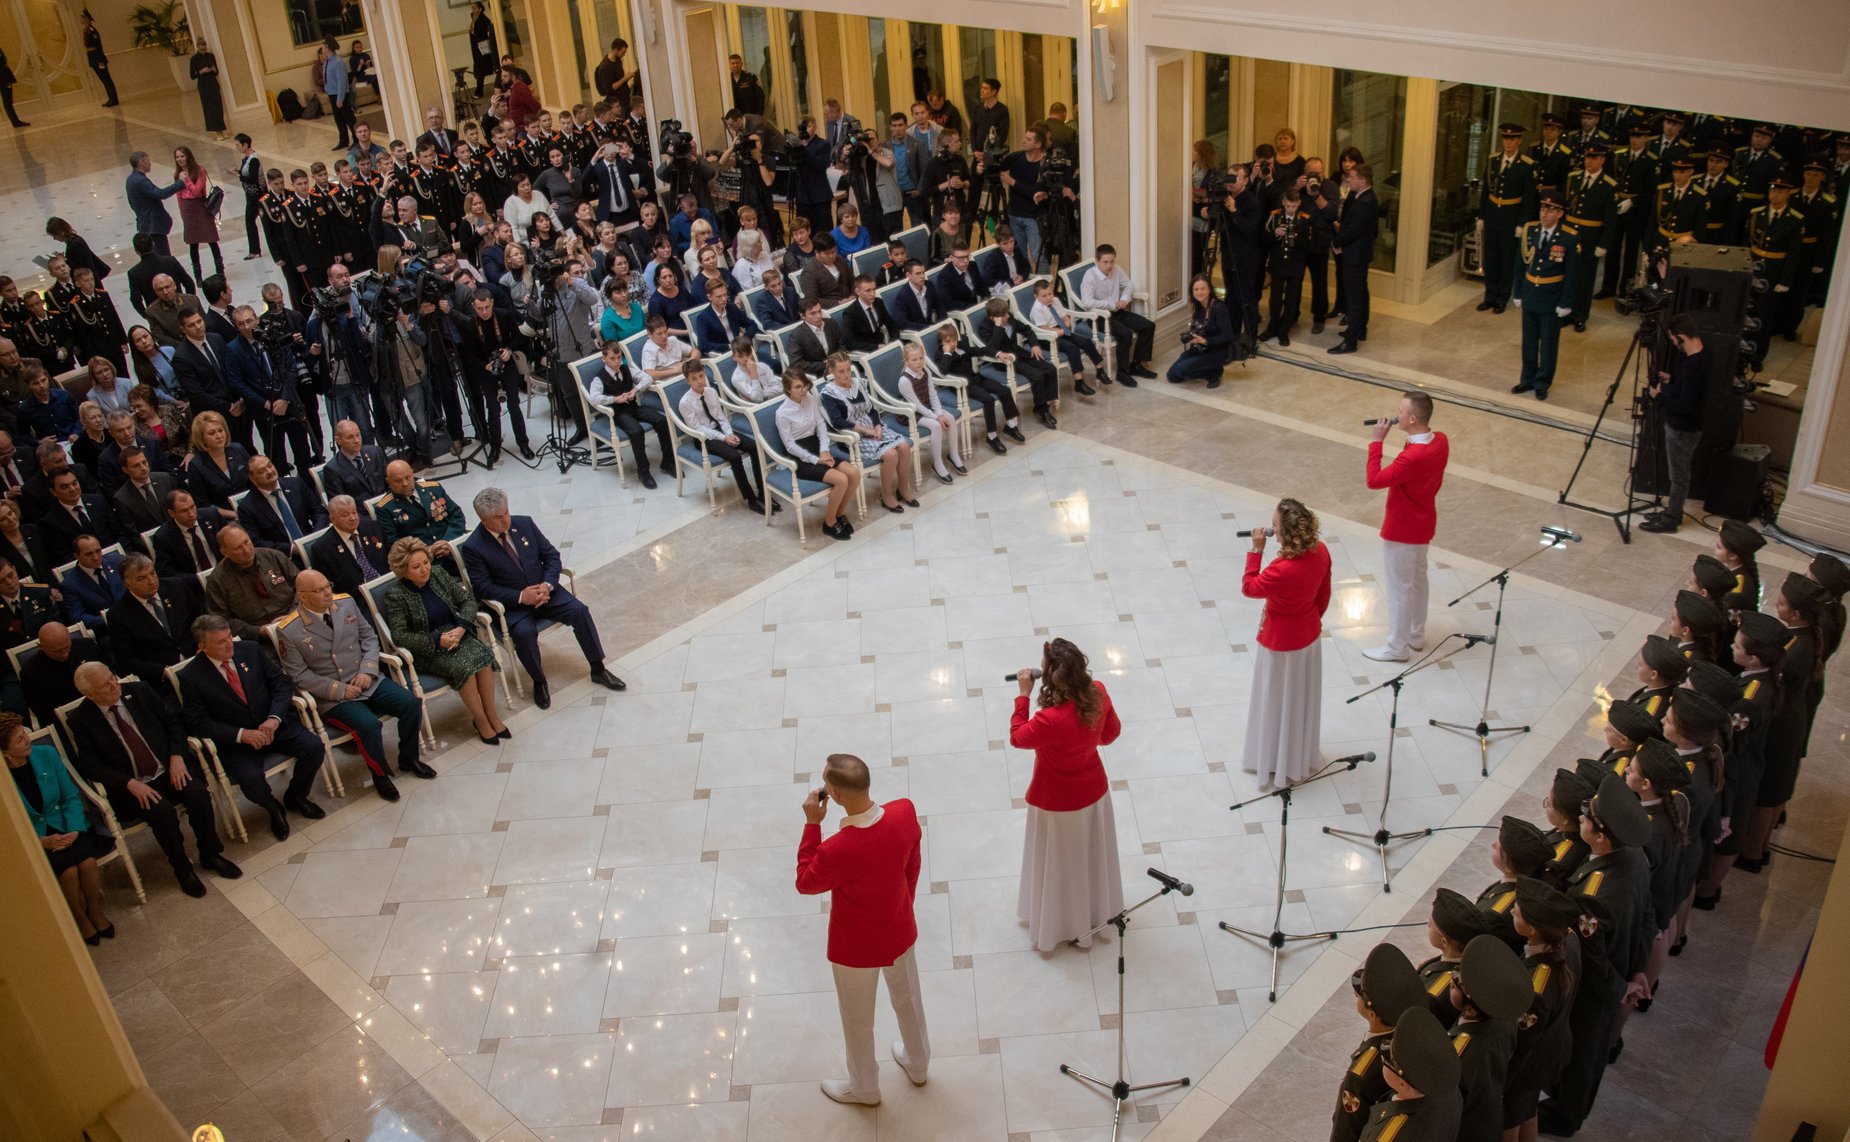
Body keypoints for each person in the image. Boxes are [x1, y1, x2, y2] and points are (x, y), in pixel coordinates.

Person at [794, 752, 930, 1106]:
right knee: (909, 1001)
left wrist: (812, 825)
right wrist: (905, 902)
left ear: (836, 796)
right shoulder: (904, 812)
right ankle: (918, 1065)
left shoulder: (836, 849)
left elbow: (805, 882)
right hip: (900, 930)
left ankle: (865, 1088)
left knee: (858, 1020)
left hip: (854, 949)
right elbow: (913, 860)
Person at [69, 662, 240, 899]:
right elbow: (91, 765)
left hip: (169, 766)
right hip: (136, 784)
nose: (114, 685)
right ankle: (182, 868)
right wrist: (129, 783)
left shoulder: (140, 691)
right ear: (89, 694)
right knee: (162, 812)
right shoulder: (81, 720)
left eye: (112, 677)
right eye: (105, 685)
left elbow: (174, 723)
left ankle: (210, 854)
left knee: (198, 794)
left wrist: (177, 756)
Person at [459, 487, 626, 709]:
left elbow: (551, 556)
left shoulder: (524, 523)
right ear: (484, 519)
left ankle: (598, 668)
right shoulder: (474, 547)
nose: (506, 519)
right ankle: (539, 681)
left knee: (580, 611)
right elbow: (482, 587)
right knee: (524, 634)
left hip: (547, 593)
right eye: (499, 517)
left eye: (507, 512)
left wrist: (547, 585)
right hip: (514, 605)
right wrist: (521, 596)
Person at [1007, 638, 1124, 952]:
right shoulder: (1098, 692)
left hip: (1056, 801)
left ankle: (1057, 920)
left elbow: (1017, 737)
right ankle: (1091, 912)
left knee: (1060, 863)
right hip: (1094, 793)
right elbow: (1110, 734)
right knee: (1089, 856)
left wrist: (1023, 695)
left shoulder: (1050, 720)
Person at [277, 570, 429, 801]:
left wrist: (367, 670)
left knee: (410, 703)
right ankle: (380, 775)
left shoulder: (346, 603)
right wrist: (340, 689)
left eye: (328, 585)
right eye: (319, 590)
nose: (327, 592)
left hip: (365, 679)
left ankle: (409, 758)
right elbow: (299, 675)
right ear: (302, 596)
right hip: (333, 695)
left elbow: (369, 637)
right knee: (369, 725)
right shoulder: (290, 630)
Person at [180, 613, 326, 840]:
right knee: (251, 783)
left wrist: (274, 718)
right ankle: (273, 808)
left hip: (272, 726)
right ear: (202, 647)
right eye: (220, 642)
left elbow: (281, 684)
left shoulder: (250, 650)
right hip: (237, 743)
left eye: (229, 637)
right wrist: (241, 735)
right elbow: (199, 723)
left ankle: (296, 796)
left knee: (314, 747)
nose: (229, 644)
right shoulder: (191, 676)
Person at [379, 536, 507, 743]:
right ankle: (481, 720)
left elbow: (467, 601)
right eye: (416, 567)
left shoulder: (438, 573)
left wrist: (461, 628)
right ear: (403, 571)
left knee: (484, 658)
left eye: (425, 562)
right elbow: (400, 636)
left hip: (457, 633)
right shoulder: (395, 595)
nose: (424, 569)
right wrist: (437, 640)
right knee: (464, 667)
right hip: (428, 647)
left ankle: (491, 714)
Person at [1242, 498, 1333, 788]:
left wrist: (1256, 550)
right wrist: (1309, 620)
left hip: (1280, 642)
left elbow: (1249, 587)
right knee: (1298, 698)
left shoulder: (1281, 569)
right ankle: (1295, 756)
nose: (1271, 529)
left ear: (1285, 531)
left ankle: (1271, 758)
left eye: (1274, 525)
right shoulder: (1321, 551)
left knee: (1275, 700)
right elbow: (1323, 595)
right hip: (1308, 636)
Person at [4, 709, 116, 943]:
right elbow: (8, 827)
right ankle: (79, 917)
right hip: (36, 837)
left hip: (66, 824)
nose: (27, 739)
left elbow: (70, 796)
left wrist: (74, 828)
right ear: (5, 752)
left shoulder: (46, 754)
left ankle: (94, 910)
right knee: (68, 871)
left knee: (87, 862)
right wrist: (40, 842)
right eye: (19, 740)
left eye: (24, 733)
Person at [1363, 391, 1449, 663]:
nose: (1395, 415)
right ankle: (1415, 634)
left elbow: (1374, 480)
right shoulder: (1441, 440)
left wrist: (1377, 442)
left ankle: (1396, 647)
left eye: (1400, 412)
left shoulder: (1413, 457)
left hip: (1402, 528)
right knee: (1418, 580)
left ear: (1412, 419)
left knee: (1399, 588)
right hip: (1424, 523)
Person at [1446, 934, 1533, 1142]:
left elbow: (1468, 1102)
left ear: (1470, 1010)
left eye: (1456, 985)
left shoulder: (1466, 1050)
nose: (1452, 980)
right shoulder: (1502, 1016)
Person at [820, 352, 917, 513]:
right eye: (841, 371)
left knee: (904, 447)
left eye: (848, 369)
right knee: (890, 454)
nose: (846, 375)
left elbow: (871, 409)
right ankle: (887, 495)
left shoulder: (858, 384)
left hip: (872, 427)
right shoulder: (829, 393)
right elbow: (837, 422)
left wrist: (877, 425)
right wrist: (865, 430)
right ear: (831, 371)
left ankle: (903, 488)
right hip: (852, 435)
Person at [1640, 316, 1710, 533]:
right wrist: (1672, 381)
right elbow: (1689, 390)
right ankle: (1672, 512)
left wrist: (1658, 396)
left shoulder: (1694, 366)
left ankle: (1671, 518)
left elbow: (1684, 406)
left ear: (1681, 337)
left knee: (1678, 476)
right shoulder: (1704, 356)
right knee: (1678, 474)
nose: (1673, 343)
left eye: (1673, 339)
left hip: (1682, 429)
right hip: (1685, 426)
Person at [1510, 189, 1578, 401]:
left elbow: (1572, 274)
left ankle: (1542, 382)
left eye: (1550, 210)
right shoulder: (1531, 230)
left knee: (1548, 343)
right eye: (1542, 209)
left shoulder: (1568, 237)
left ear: (1560, 213)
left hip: (1551, 296)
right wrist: (1517, 291)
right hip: (1531, 292)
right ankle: (1527, 378)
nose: (1544, 214)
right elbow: (1520, 264)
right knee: (1529, 340)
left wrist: (1565, 302)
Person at [775, 371, 859, 541]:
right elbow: (790, 446)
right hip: (800, 457)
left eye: (805, 385)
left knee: (854, 474)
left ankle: (839, 514)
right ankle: (829, 523)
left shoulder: (810, 399)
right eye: (798, 387)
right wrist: (815, 459)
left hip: (817, 447)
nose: (804, 390)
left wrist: (824, 450)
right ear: (788, 389)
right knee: (841, 480)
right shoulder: (782, 413)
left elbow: (820, 425)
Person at [676, 362, 770, 514]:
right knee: (734, 457)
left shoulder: (711, 392)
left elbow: (721, 417)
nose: (699, 381)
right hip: (704, 438)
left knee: (754, 447)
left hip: (721, 430)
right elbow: (698, 428)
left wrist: (729, 433)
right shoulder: (685, 402)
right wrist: (723, 438)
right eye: (694, 379)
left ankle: (763, 493)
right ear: (687, 381)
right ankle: (751, 499)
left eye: (701, 376)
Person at [1362, 1007, 1463, 1141]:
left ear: (1403, 1084)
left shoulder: (1386, 1136)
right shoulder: (1446, 1089)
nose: (1382, 1058)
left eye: (1387, 1059)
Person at [586, 338, 674, 490]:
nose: (617, 361)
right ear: (604, 359)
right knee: (636, 431)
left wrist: (635, 389)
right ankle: (643, 471)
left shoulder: (626, 369)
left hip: (633, 407)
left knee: (660, 420)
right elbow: (594, 398)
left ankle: (668, 461)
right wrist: (615, 399)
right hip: (618, 412)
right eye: (612, 358)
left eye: (619, 357)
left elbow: (647, 378)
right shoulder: (599, 378)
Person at [105, 553, 198, 685]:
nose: (151, 581)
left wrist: (204, 644)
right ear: (127, 583)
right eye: (141, 578)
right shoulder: (118, 615)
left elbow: (202, 618)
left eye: (152, 573)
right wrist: (161, 672)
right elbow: (126, 661)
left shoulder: (176, 586)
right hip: (164, 679)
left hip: (199, 656)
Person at [1479, 125, 1538, 314]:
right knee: (1491, 259)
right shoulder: (1493, 160)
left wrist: (1522, 223)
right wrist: (1481, 215)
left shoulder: (1527, 165)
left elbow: (1529, 199)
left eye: (1512, 139)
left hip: (1511, 219)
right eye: (1505, 139)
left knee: (1507, 261)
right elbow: (1486, 191)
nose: (1508, 143)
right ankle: (1489, 296)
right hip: (1492, 216)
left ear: (1519, 141)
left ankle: (1502, 298)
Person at [205, 524, 298, 640]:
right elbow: (221, 621)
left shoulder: (274, 557)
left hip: (295, 618)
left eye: (247, 542)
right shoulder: (217, 580)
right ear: (225, 552)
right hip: (257, 636)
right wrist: (257, 631)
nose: (246, 549)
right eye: (238, 548)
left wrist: (292, 615)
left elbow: (302, 587)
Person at [373, 460, 464, 571]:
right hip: (425, 564)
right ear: (388, 481)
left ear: (412, 473)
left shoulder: (434, 488)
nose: (405, 484)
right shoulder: (385, 508)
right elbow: (394, 545)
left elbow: (456, 515)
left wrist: (448, 541)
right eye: (398, 481)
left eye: (407, 477)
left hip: (453, 547)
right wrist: (427, 551)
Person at [1328, 162, 1379, 355]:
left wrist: (1335, 242)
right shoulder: (1362, 197)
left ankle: (1351, 341)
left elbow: (1352, 231)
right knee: (1361, 293)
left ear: (1363, 181)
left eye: (1352, 177)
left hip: (1355, 256)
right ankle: (1360, 329)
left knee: (1355, 298)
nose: (1348, 180)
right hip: (1358, 254)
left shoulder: (1365, 202)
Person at [896, 342, 963, 485]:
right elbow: (917, 406)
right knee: (936, 426)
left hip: (927, 407)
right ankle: (937, 463)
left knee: (950, 418)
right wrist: (936, 418)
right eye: (914, 359)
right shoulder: (904, 381)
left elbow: (932, 395)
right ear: (906, 362)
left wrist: (940, 414)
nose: (919, 362)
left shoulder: (925, 371)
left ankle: (953, 454)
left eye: (921, 358)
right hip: (912, 413)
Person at [1028, 278, 1102, 395]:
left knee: (1086, 341)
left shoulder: (1056, 301)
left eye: (1050, 294)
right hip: (1046, 337)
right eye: (1044, 296)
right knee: (1072, 348)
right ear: (1036, 296)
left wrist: (1064, 328)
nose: (1048, 298)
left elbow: (1066, 318)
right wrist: (1061, 331)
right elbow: (1044, 329)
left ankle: (1100, 369)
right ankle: (1079, 382)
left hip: (1061, 329)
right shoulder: (1036, 310)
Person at [1166, 275, 1235, 388]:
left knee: (1181, 370)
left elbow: (1228, 336)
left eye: (1203, 289)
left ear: (1209, 289)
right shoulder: (1198, 305)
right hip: (1201, 349)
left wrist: (1205, 341)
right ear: (1192, 291)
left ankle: (1215, 371)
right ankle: (1209, 370)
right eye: (1196, 289)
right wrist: (1193, 338)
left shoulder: (1219, 308)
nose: (1199, 292)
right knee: (1172, 376)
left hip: (1217, 351)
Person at [150, 489, 220, 576]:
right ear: (171, 513)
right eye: (184, 511)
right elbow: (167, 572)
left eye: (192, 507)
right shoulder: (163, 537)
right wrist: (199, 579)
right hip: (192, 581)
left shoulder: (211, 516)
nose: (191, 514)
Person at [125, 153, 183, 257]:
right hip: (153, 225)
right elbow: (161, 194)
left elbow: (131, 203)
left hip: (145, 223)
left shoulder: (130, 179)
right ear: (141, 162)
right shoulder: (140, 181)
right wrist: (180, 183)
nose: (150, 163)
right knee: (163, 255)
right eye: (147, 161)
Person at [320, 419, 387, 501]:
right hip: (359, 508)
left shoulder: (375, 452)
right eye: (350, 437)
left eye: (358, 435)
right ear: (338, 440)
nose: (356, 440)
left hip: (386, 504)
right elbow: (341, 503)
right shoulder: (332, 470)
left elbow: (390, 481)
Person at [80, 8, 118, 107]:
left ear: (87, 19)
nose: (81, 20)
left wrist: (100, 61)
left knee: (107, 80)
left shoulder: (92, 31)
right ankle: (110, 98)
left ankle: (114, 99)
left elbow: (98, 47)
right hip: (93, 58)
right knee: (103, 80)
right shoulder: (87, 30)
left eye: (82, 18)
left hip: (98, 58)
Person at [189, 39, 226, 137]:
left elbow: (216, 72)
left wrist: (213, 69)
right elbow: (192, 76)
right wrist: (201, 71)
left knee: (218, 106)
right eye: (202, 50)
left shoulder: (210, 56)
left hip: (213, 82)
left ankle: (221, 129)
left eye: (205, 49)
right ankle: (217, 131)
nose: (204, 51)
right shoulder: (194, 59)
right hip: (203, 85)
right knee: (209, 108)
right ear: (198, 47)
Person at [468, 2, 497, 96]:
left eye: (474, 8)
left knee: (484, 69)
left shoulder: (484, 20)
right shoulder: (474, 19)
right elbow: (472, 32)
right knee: (480, 70)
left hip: (485, 49)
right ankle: (479, 90)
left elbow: (483, 34)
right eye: (472, 8)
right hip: (478, 50)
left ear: (480, 9)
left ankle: (479, 91)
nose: (473, 10)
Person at [0, 46, 27, 128]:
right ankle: (15, 122)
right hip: (3, 80)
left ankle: (15, 122)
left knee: (8, 102)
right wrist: (5, 81)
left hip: (4, 79)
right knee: (7, 102)